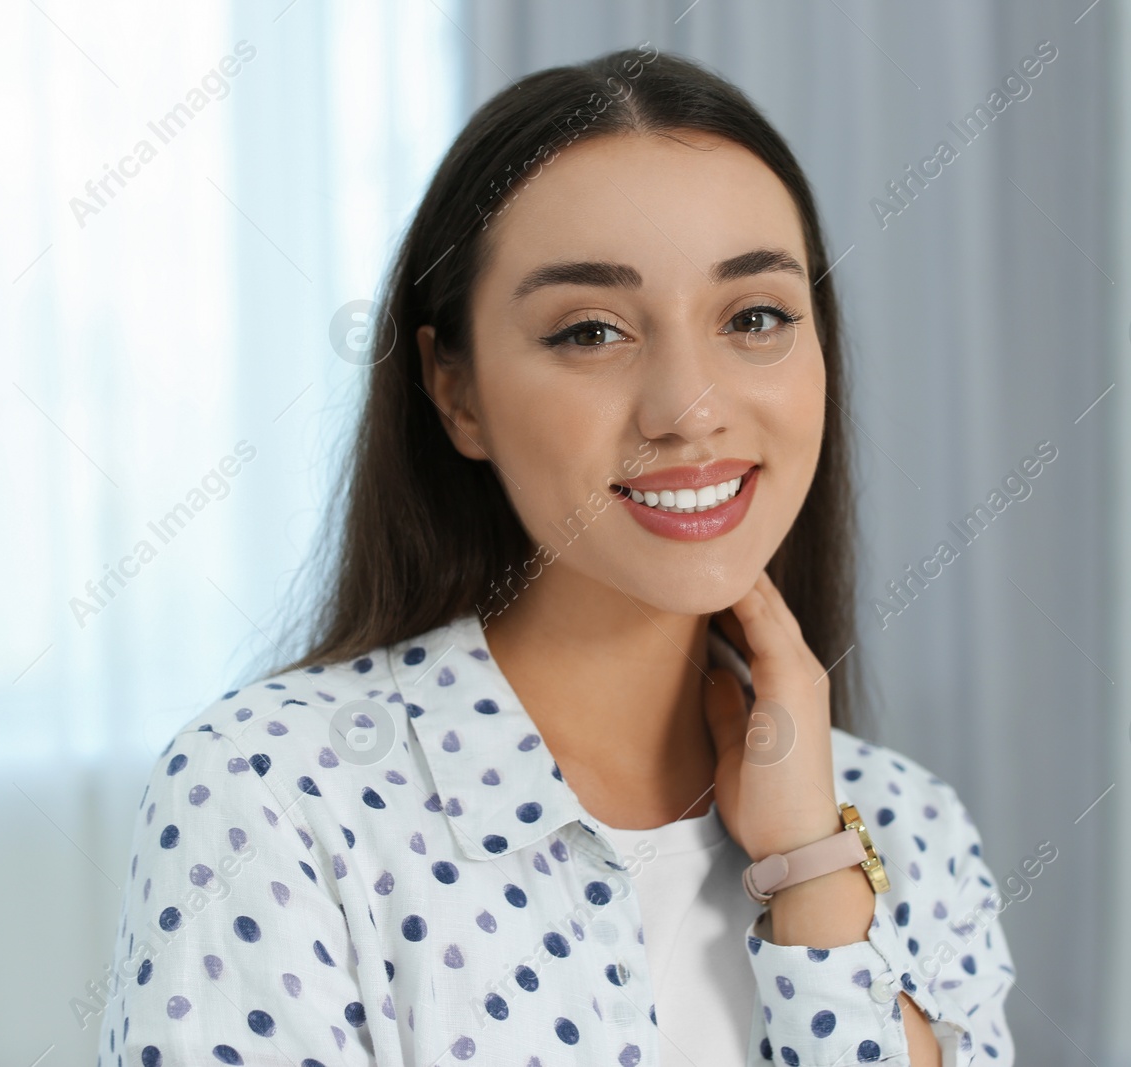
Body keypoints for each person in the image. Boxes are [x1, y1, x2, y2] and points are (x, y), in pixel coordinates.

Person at [95, 44, 1015, 1067]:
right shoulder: (273, 793)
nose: (689, 410)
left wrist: (811, 866)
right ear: (457, 390)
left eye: (753, 316)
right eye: (590, 330)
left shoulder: (905, 826)